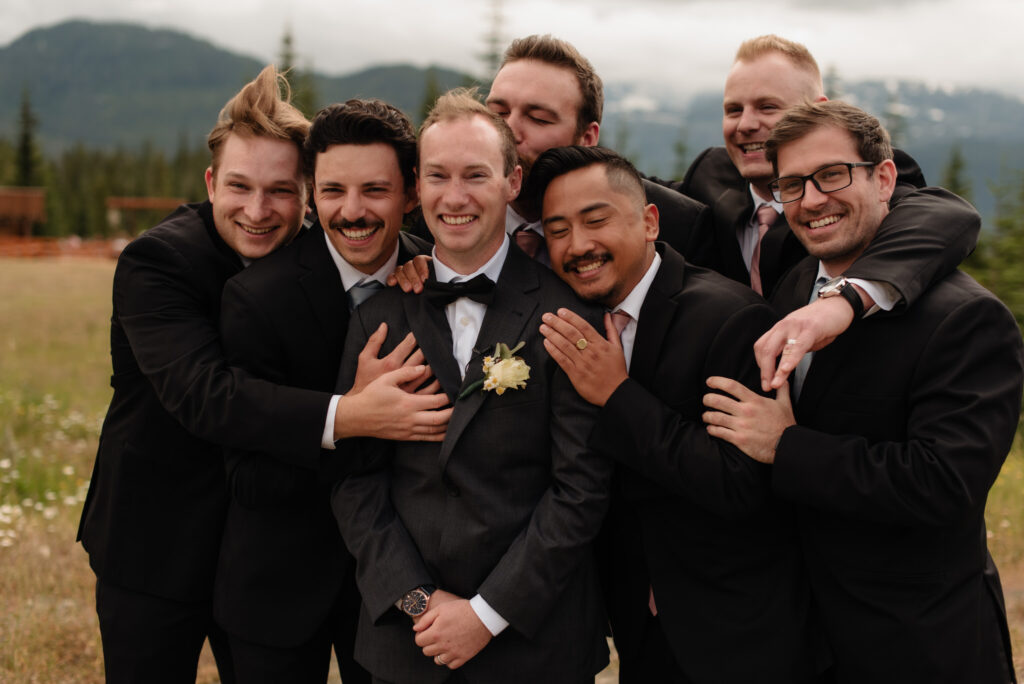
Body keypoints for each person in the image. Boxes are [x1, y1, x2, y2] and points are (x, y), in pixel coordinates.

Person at [77, 67, 447, 683]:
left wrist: (413, 264)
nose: (258, 210)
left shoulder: (319, 255)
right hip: (162, 536)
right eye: (240, 186)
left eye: (280, 191)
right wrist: (350, 414)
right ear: (210, 182)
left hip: (269, 541)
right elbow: (207, 396)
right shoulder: (158, 263)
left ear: (304, 195)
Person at [702, 101, 1022, 683]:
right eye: (793, 184)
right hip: (799, 642)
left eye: (831, 175)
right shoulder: (797, 282)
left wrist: (787, 447)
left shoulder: (969, 320)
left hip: (917, 647)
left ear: (885, 177)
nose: (812, 199)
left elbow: (942, 485)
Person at [331, 90, 613, 684]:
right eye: (437, 176)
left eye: (475, 175)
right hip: (409, 642)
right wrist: (417, 602)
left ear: (512, 182)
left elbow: (581, 489)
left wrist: (486, 615)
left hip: (536, 644)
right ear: (417, 185)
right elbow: (355, 481)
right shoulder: (375, 316)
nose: (454, 197)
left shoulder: (567, 313)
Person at [528, 145, 824, 683]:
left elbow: (743, 486)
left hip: (737, 635)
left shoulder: (731, 318)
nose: (578, 245)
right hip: (640, 634)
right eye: (558, 230)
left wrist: (617, 395)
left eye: (596, 220)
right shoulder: (570, 319)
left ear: (648, 221)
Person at [213, 99, 438, 683]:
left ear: (411, 194)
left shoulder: (438, 278)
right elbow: (249, 478)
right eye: (333, 190)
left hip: (402, 593)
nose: (353, 211)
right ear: (312, 192)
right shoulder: (257, 299)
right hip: (279, 588)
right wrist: (357, 418)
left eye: (375, 190)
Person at [657, 35, 981, 388]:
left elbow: (943, 213)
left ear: (817, 108)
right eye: (733, 110)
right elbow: (631, 191)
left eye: (767, 107)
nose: (745, 124)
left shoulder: (855, 181)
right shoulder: (711, 174)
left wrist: (845, 299)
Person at [407, 34, 710, 264]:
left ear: (587, 138)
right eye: (497, 113)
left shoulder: (677, 225)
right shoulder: (434, 215)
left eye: (538, 118)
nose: (508, 131)